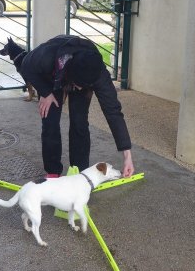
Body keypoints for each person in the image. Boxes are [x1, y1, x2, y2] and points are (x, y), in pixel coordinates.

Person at [19, 34, 134, 178]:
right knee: (50, 121)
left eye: (83, 86)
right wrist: (45, 92)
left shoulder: (98, 74)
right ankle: (53, 171)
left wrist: (127, 155)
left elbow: (113, 112)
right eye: (78, 85)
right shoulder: (46, 56)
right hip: (55, 76)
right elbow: (26, 66)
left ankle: (79, 171)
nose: (79, 89)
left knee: (79, 122)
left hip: (79, 76)